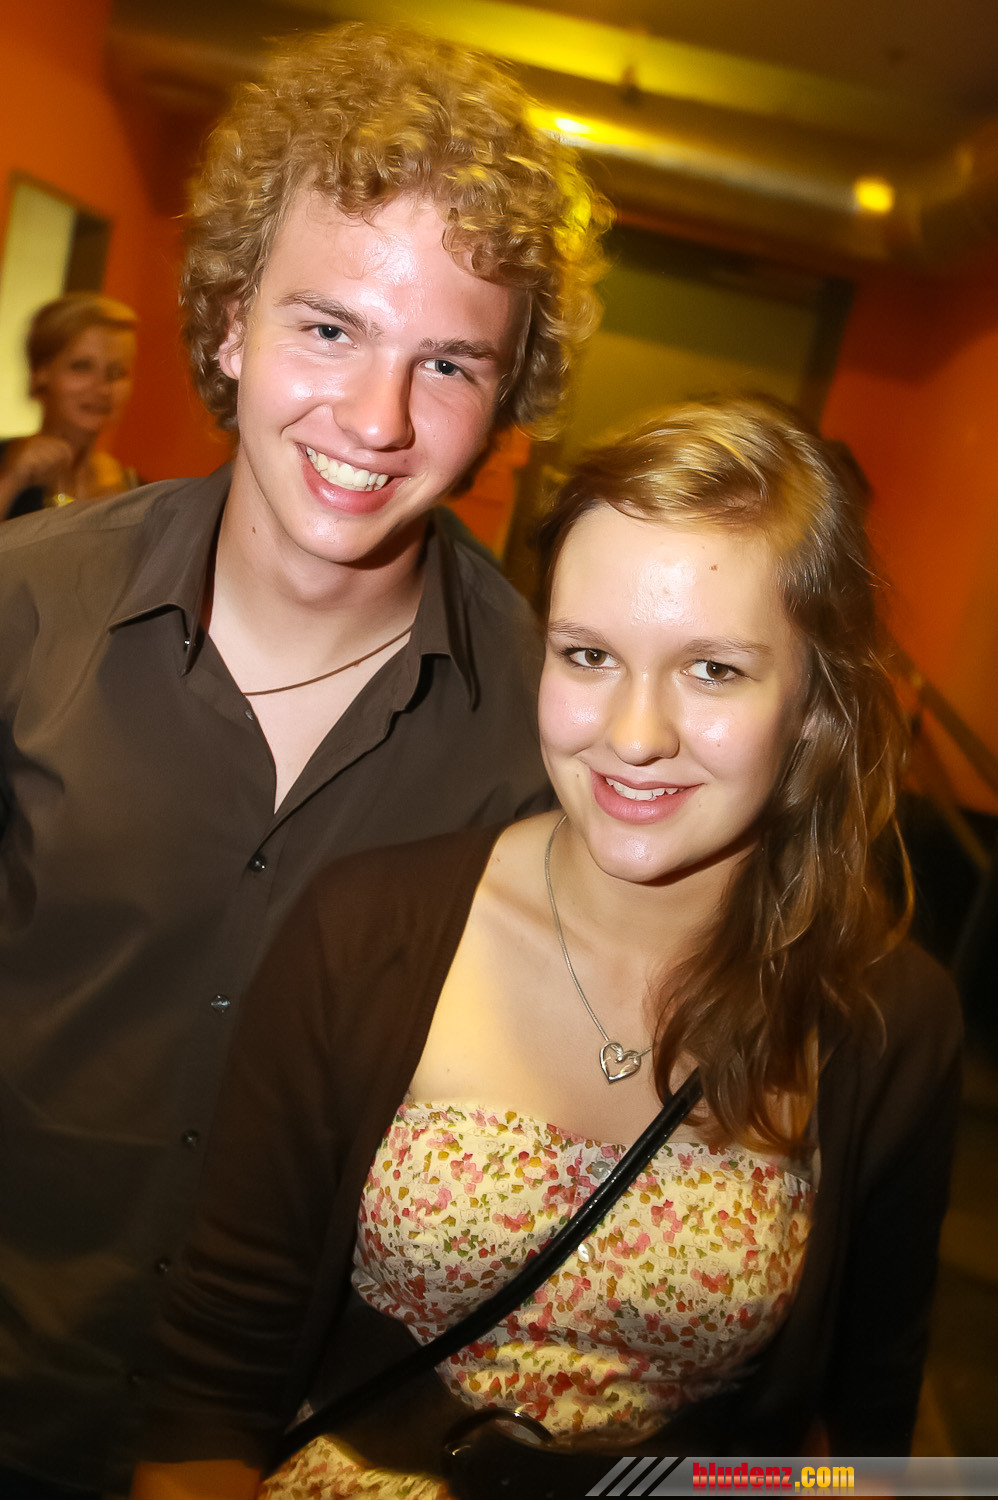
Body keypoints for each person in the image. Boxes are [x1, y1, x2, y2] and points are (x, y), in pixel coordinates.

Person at [132, 395, 962, 1500]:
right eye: (588, 655)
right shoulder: (366, 934)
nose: (633, 736)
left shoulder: (885, 1018)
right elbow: (212, 1378)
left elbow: (862, 1423)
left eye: (713, 670)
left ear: (814, 701)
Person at [0, 23, 608, 1499]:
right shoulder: (23, 610)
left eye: (446, 362)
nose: (376, 420)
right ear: (228, 324)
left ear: (508, 394)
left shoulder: (551, 732)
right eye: (329, 329)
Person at [0, 291, 138, 519]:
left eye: (117, 372)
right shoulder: (6, 466)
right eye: (81, 367)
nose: (103, 389)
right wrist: (11, 481)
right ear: (40, 373)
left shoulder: (136, 493)